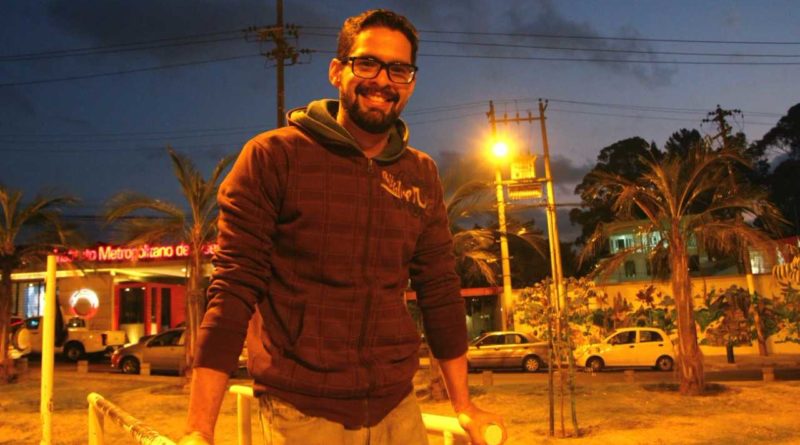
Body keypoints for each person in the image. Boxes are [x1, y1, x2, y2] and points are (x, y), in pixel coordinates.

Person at [179, 9, 506, 445]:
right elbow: (234, 289)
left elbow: (439, 289)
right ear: (337, 71)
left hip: (397, 406)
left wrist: (464, 405)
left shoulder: (420, 173)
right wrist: (199, 429)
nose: (383, 81)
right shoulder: (274, 158)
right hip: (302, 412)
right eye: (367, 63)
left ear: (411, 82)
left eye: (399, 70)